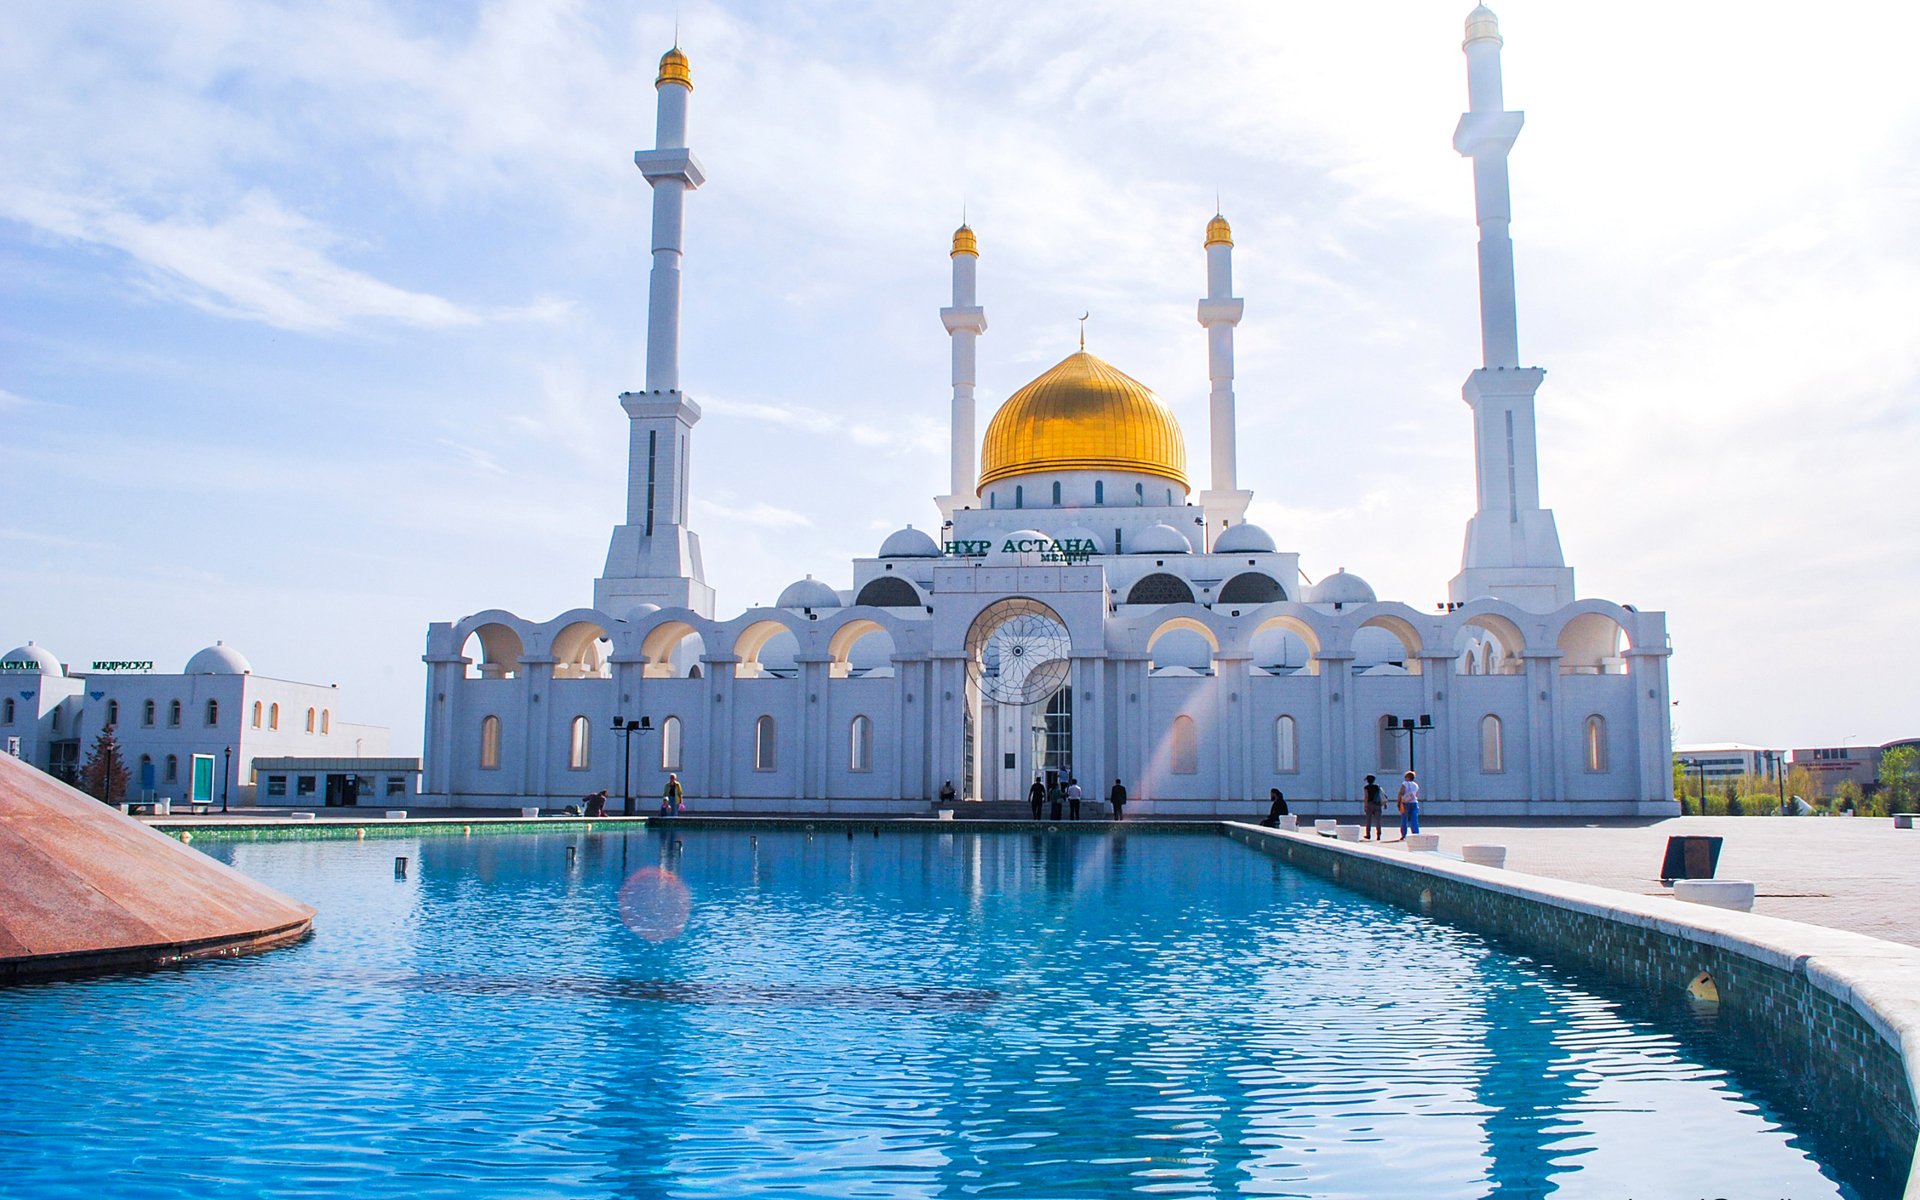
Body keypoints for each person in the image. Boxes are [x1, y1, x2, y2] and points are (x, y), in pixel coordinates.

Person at [1396, 770, 1421, 840]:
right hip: (1414, 803)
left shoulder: (1405, 783)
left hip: (1405, 803)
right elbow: (1417, 794)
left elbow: (1401, 793)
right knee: (1414, 819)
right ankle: (1415, 834)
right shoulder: (1416, 785)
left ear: (1407, 777)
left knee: (1404, 819)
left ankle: (1404, 835)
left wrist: (1398, 802)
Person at [1361, 775, 1384, 840]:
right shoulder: (1377, 787)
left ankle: (1368, 834)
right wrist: (1384, 804)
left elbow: (1366, 797)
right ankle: (1378, 835)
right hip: (1377, 804)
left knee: (1368, 820)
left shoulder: (1366, 787)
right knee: (1378, 820)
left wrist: (1365, 806)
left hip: (1370, 804)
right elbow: (1382, 795)